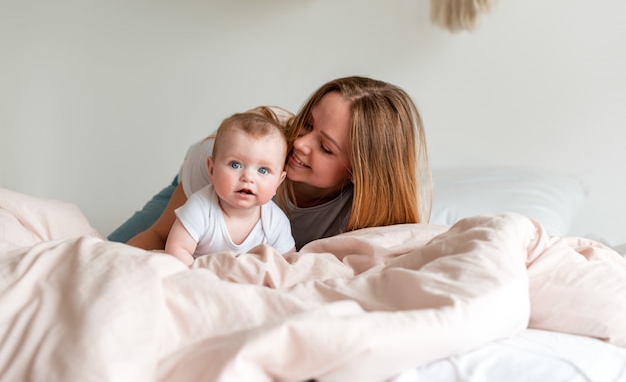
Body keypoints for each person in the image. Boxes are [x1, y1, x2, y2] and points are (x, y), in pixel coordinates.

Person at [109, 76, 432, 251]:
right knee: (109, 251)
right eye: (307, 123)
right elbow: (157, 237)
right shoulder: (233, 165)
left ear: (358, 174)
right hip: (206, 192)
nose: (301, 143)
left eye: (325, 147)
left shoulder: (368, 216)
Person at [164, 112, 296, 266]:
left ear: (278, 183)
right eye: (235, 165)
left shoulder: (276, 222)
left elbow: (288, 265)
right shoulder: (200, 207)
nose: (248, 177)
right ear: (212, 170)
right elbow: (177, 249)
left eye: (263, 170)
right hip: (203, 280)